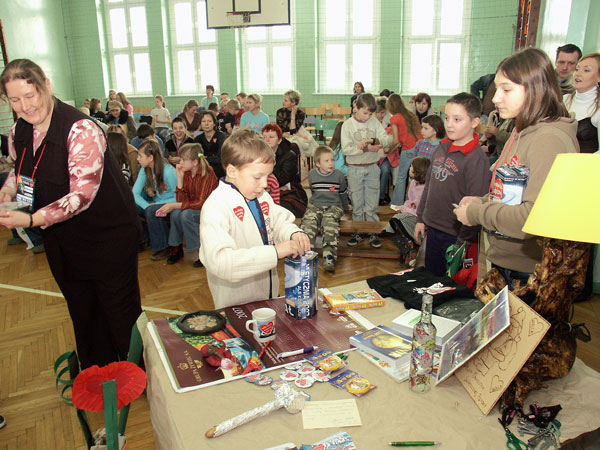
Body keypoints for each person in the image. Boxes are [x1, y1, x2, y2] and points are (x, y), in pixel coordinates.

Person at [0, 59, 141, 369]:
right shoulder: (18, 131)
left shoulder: (80, 129)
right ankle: (99, 371)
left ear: (46, 85)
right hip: (63, 238)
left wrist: (33, 219)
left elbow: (82, 195)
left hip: (108, 236)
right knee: (82, 307)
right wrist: (11, 192)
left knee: (120, 312)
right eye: (14, 99)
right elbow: (22, 173)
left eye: (30, 94)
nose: (25, 106)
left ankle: (137, 375)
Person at [454, 47, 579, 287]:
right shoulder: (520, 130)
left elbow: (532, 217)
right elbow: (514, 190)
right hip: (508, 261)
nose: (495, 98)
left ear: (534, 89)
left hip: (528, 272)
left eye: (506, 89)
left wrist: (477, 214)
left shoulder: (548, 139)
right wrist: (483, 200)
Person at [199, 129, 310, 309]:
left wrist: (293, 233)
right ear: (232, 171)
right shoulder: (217, 206)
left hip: (267, 296)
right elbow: (221, 262)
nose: (265, 184)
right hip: (236, 304)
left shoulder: (261, 196)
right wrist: (275, 252)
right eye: (258, 177)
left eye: (267, 176)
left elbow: (278, 221)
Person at [415, 92, 490, 277]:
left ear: (474, 122)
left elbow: (476, 205)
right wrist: (420, 218)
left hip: (455, 235)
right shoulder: (440, 148)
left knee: (448, 289)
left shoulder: (476, 159)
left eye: (457, 119)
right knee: (429, 281)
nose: (449, 124)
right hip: (433, 228)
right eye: (447, 118)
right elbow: (429, 185)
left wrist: (462, 240)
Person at [341, 93, 391, 248]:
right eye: (365, 113)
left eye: (370, 113)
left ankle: (373, 232)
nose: (367, 116)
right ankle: (358, 231)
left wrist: (372, 141)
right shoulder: (347, 125)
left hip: (372, 167)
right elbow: (346, 150)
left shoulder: (374, 121)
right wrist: (364, 149)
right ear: (356, 107)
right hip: (354, 169)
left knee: (371, 205)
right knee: (357, 204)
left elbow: (386, 139)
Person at [157, 143, 218, 267]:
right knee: (176, 213)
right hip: (193, 208)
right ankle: (177, 248)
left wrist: (175, 205)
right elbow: (181, 199)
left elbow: (201, 203)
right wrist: (179, 178)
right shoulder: (187, 173)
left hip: (209, 210)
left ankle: (201, 252)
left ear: (195, 162)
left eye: (183, 160)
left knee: (186, 214)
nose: (180, 163)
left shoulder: (207, 173)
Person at [301, 145, 349, 272]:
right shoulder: (312, 175)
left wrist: (345, 207)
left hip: (334, 206)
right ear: (317, 163)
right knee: (308, 224)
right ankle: (306, 257)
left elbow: (343, 193)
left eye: (332, 160)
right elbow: (314, 191)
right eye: (326, 161)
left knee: (329, 223)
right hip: (316, 205)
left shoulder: (339, 175)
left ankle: (329, 258)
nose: (331, 163)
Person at [133, 139, 177, 261]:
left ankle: (164, 246)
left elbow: (179, 197)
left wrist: (154, 205)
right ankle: (144, 239)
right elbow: (134, 194)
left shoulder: (169, 171)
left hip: (171, 206)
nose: (137, 159)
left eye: (140, 156)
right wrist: (148, 206)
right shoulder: (144, 169)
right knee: (132, 206)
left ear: (150, 158)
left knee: (151, 211)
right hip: (155, 205)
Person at [262, 123, 308, 217]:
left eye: (271, 137)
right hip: (267, 189)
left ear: (279, 140)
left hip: (289, 192)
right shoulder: (257, 155)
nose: (267, 140)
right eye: (264, 137)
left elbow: (281, 179)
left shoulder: (289, 155)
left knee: (280, 209)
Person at [387, 93, 421, 207]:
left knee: (401, 177)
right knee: (417, 177)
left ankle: (397, 204)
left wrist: (388, 149)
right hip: (419, 147)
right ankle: (415, 202)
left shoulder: (394, 119)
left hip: (408, 149)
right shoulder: (411, 115)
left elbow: (396, 140)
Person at [563, 53, 600, 153]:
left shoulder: (598, 109)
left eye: (586, 70)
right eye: (577, 69)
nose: (578, 74)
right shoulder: (563, 100)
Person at [194, 110, 227, 179]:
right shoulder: (197, 139)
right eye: (203, 121)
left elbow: (221, 157)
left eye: (209, 121)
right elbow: (198, 155)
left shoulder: (222, 137)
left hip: (220, 174)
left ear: (214, 123)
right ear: (200, 124)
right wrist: (201, 156)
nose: (206, 124)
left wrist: (205, 158)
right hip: (203, 173)